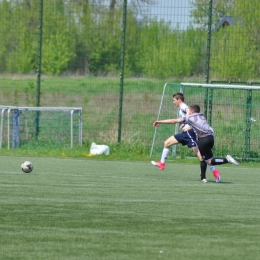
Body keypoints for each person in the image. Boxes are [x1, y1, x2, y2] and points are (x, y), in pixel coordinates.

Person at [152, 104, 239, 182]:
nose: (187, 112)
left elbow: (173, 121)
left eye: (188, 111)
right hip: (211, 138)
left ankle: (227, 160)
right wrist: (183, 123)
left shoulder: (189, 117)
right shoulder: (201, 116)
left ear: (192, 111)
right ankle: (205, 176)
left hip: (203, 140)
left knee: (209, 161)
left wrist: (159, 121)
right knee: (206, 159)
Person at [151, 93, 220, 183]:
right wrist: (184, 123)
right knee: (167, 143)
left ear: (179, 100)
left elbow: (187, 110)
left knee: (200, 155)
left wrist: (186, 120)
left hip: (189, 133)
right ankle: (162, 164)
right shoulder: (181, 108)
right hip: (184, 133)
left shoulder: (184, 106)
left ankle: (214, 171)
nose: (173, 102)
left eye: (174, 100)